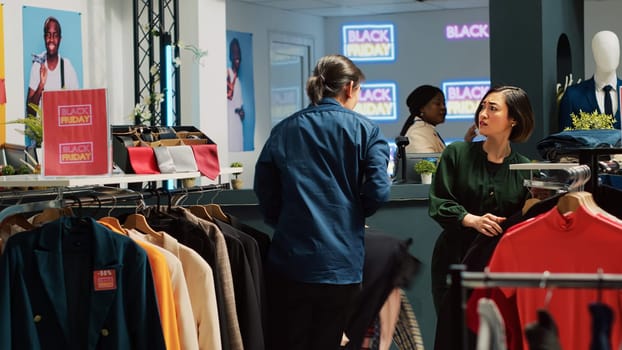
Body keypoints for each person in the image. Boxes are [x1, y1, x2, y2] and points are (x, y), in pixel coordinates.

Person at [254, 54, 391, 350]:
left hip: (290, 261)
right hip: (340, 264)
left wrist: (285, 220)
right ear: (350, 88)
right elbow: (379, 189)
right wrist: (354, 213)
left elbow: (264, 190)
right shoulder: (366, 131)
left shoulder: (284, 130)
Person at [428, 85, 535, 314]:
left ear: (513, 119)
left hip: (501, 265)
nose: (483, 114)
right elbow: (439, 202)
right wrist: (471, 219)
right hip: (455, 259)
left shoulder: (525, 167)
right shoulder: (457, 153)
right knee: (454, 335)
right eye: (482, 107)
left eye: (493, 108)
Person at [558, 30, 622, 130]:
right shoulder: (573, 96)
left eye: (614, 49)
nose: (609, 55)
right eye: (603, 50)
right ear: (594, 52)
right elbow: (563, 142)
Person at [399, 85, 478, 154]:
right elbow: (430, 167)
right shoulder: (417, 134)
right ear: (422, 108)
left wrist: (467, 142)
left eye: (444, 104)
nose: (443, 107)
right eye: (438, 104)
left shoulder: (427, 130)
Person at [27, 16, 79, 116]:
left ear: (60, 39)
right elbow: (30, 111)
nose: (51, 40)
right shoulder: (37, 66)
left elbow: (76, 106)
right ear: (44, 37)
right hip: (41, 130)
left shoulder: (67, 67)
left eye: (55, 36)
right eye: (48, 35)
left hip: (62, 129)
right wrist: (41, 85)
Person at [227, 38, 244, 152]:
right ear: (230, 56)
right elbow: (229, 96)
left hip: (237, 122)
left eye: (238, 53)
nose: (236, 56)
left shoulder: (238, 80)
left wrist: (241, 111)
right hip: (230, 121)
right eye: (234, 52)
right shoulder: (228, 74)